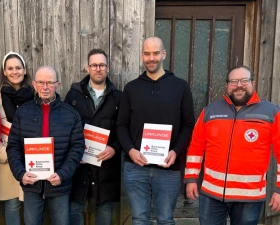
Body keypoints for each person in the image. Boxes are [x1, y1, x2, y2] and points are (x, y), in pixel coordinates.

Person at [184, 65, 280, 225]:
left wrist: (278, 189)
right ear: (227, 86)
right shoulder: (209, 112)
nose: (239, 85)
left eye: (244, 80)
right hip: (211, 194)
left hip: (249, 197)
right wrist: (191, 179)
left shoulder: (271, 113)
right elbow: (196, 147)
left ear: (253, 83)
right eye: (233, 82)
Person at [116, 36, 195, 225]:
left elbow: (188, 125)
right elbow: (121, 125)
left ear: (163, 54)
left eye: (156, 53)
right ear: (142, 56)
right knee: (139, 219)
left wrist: (176, 152)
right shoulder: (131, 88)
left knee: (166, 220)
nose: (151, 58)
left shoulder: (180, 87)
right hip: (136, 166)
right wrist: (130, 150)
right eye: (147, 53)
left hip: (168, 167)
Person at [6, 66, 84, 225]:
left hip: (59, 184)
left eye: (50, 82)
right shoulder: (23, 112)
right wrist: (20, 173)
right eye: (41, 82)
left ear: (58, 84)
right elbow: (13, 146)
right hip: (32, 184)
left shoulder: (71, 114)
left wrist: (63, 174)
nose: (45, 87)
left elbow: (76, 148)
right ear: (34, 84)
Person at [64, 49, 122, 225]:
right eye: (94, 65)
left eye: (102, 65)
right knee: (75, 208)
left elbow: (124, 129)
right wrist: (73, 153)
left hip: (105, 164)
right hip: (78, 163)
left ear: (108, 68)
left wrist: (115, 148)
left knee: (104, 208)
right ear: (87, 68)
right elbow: (64, 128)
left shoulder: (118, 97)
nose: (98, 69)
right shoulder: (73, 95)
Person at [0, 51, 34, 225]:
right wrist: (3, 154)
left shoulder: (35, 94)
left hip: (31, 159)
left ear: (24, 70)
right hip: (5, 157)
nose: (14, 71)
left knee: (32, 202)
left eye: (18, 67)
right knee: (12, 204)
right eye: (10, 68)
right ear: (4, 71)